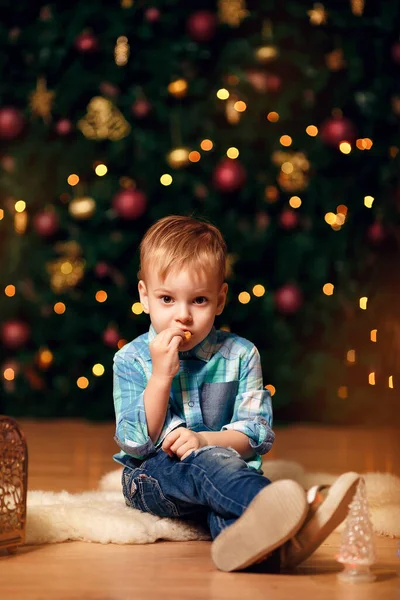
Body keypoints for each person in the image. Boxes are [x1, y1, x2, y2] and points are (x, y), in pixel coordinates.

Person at [112, 215, 360, 572]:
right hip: (153, 480)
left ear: (220, 299)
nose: (182, 316)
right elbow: (135, 442)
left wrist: (204, 439)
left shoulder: (241, 355)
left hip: (224, 478)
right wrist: (161, 377)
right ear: (144, 297)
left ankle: (258, 551)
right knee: (210, 466)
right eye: (167, 299)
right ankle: (301, 515)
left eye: (198, 300)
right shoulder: (131, 359)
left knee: (222, 482)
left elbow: (256, 433)